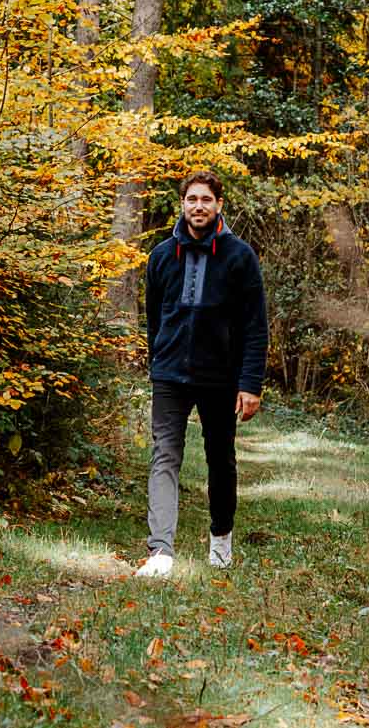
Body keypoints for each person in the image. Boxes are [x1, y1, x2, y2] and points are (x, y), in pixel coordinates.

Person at [135, 170, 268, 577]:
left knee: (220, 461)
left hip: (220, 378)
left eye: (206, 200)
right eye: (192, 199)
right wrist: (158, 359)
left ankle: (221, 542)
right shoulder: (161, 256)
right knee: (164, 456)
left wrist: (249, 384)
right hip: (170, 374)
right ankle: (160, 553)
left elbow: (255, 326)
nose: (198, 206)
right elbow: (154, 318)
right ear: (182, 204)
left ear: (218, 205)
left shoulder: (240, 256)